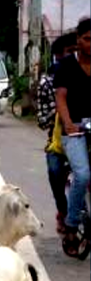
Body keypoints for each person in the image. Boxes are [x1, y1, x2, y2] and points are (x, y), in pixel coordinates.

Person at [54, 17, 91, 258]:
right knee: (83, 174)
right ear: (78, 40)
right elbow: (61, 97)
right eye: (87, 39)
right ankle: (71, 220)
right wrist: (68, 124)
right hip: (75, 130)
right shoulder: (67, 65)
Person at [38, 33, 77, 235]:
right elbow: (41, 120)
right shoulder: (46, 83)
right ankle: (63, 212)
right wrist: (58, 115)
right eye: (71, 52)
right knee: (54, 171)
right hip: (58, 141)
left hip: (83, 136)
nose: (76, 55)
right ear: (58, 57)